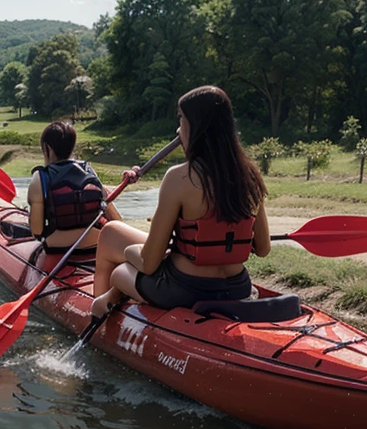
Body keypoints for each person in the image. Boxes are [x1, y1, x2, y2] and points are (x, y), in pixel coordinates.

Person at [90, 86, 270, 316]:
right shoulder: (252, 176)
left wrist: (129, 252)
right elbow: (263, 249)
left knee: (121, 272)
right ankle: (112, 299)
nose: (178, 129)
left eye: (181, 119)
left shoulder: (179, 178)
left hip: (185, 292)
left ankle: (101, 311)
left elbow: (149, 263)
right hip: (237, 288)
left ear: (196, 126)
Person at [27, 121, 122, 257]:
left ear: (47, 148)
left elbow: (37, 231)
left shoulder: (40, 177)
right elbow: (116, 220)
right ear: (72, 146)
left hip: (58, 247)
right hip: (95, 244)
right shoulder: (89, 171)